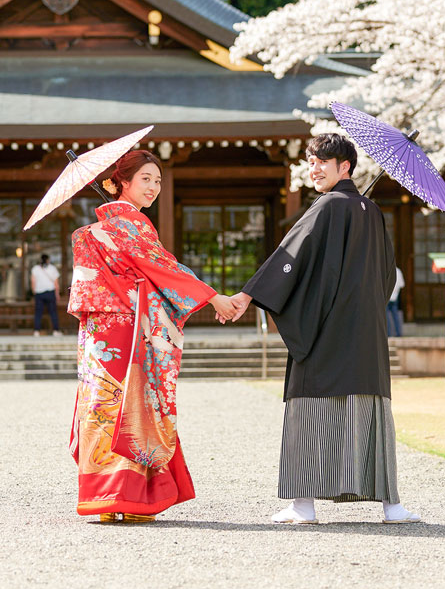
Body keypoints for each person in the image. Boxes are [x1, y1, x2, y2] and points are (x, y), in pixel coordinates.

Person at [227, 133, 421, 524]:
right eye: (311, 161)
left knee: (309, 406)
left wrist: (249, 295)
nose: (312, 169)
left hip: (326, 330)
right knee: (370, 410)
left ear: (344, 167)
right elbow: (385, 279)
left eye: (321, 162)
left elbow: (290, 257)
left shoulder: (327, 207)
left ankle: (303, 505)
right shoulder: (371, 210)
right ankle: (391, 506)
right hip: (365, 333)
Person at [67, 150, 236, 523]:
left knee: (102, 402)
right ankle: (134, 497)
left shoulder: (92, 232)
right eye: (145, 178)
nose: (154, 187)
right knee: (134, 402)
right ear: (120, 183)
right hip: (129, 326)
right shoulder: (132, 225)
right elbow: (161, 269)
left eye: (157, 180)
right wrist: (212, 297)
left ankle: (105, 499)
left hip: (97, 332)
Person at [31, 254, 62, 336]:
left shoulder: (35, 269)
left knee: (38, 312)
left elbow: (33, 281)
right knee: (53, 312)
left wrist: (34, 291)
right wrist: (57, 294)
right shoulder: (52, 268)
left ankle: (36, 331)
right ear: (48, 260)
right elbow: (56, 283)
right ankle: (55, 330)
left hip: (39, 293)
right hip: (50, 292)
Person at [386, 266, 405, 337]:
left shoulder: (386, 270)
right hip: (395, 296)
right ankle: (398, 333)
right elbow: (402, 285)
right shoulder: (398, 271)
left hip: (387, 296)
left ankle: (388, 333)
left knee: (386, 317)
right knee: (395, 316)